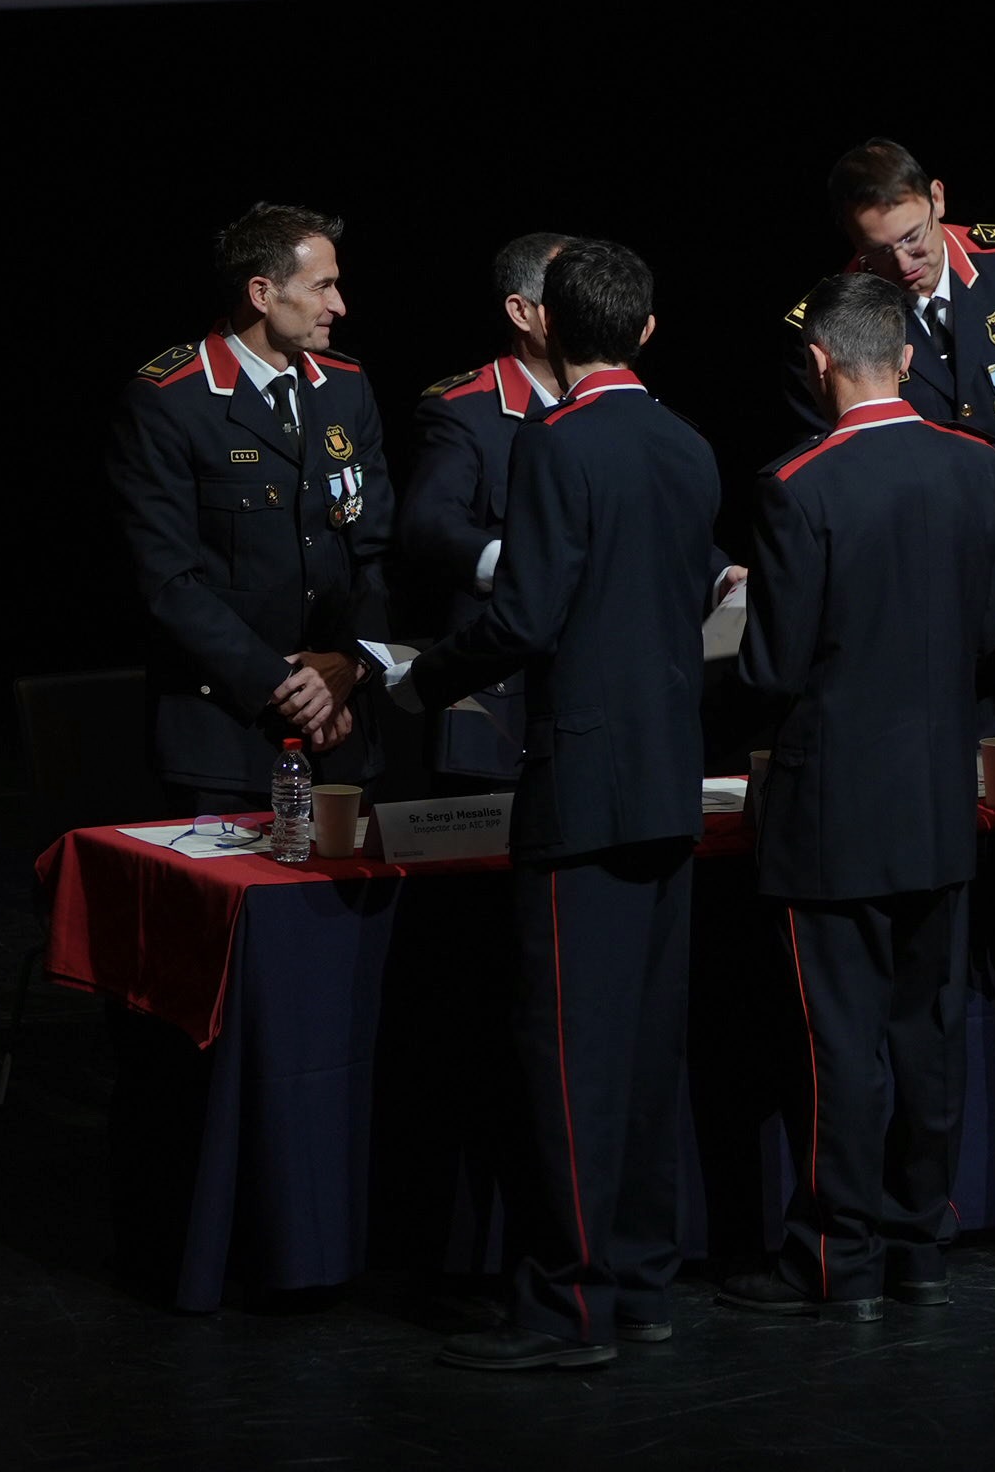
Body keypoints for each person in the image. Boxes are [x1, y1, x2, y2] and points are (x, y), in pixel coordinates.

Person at [398, 240, 728, 1370]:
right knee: (641, 1049)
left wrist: (422, 676)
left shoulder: (556, 441)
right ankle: (639, 1281)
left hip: (582, 787)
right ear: (643, 330)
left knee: (566, 1055)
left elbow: (526, 616)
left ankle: (566, 1306)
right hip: (669, 780)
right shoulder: (687, 443)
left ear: (553, 330)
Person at [720, 272, 995, 1323]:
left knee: (838, 1042)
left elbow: (770, 670)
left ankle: (836, 1260)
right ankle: (920, 1243)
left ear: (821, 361)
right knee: (928, 1033)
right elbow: (987, 627)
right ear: (902, 352)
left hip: (834, 810)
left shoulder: (801, 483)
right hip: (941, 800)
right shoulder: (976, 467)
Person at [779, 140, 995, 722]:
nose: (903, 262)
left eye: (913, 236)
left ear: (938, 198)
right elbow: (832, 489)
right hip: (911, 622)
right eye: (878, 250)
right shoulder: (827, 324)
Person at [107, 201, 392, 804]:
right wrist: (289, 686)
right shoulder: (171, 400)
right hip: (226, 739)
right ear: (262, 293)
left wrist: (351, 662)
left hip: (341, 735)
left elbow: (373, 550)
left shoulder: (345, 385)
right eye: (323, 286)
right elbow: (167, 583)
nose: (339, 305)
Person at [396, 232, 571, 788]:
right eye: (573, 290)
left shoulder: (615, 404)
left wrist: (719, 571)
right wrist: (516, 572)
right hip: (500, 692)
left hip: (593, 689)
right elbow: (428, 524)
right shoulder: (465, 409)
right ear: (521, 311)